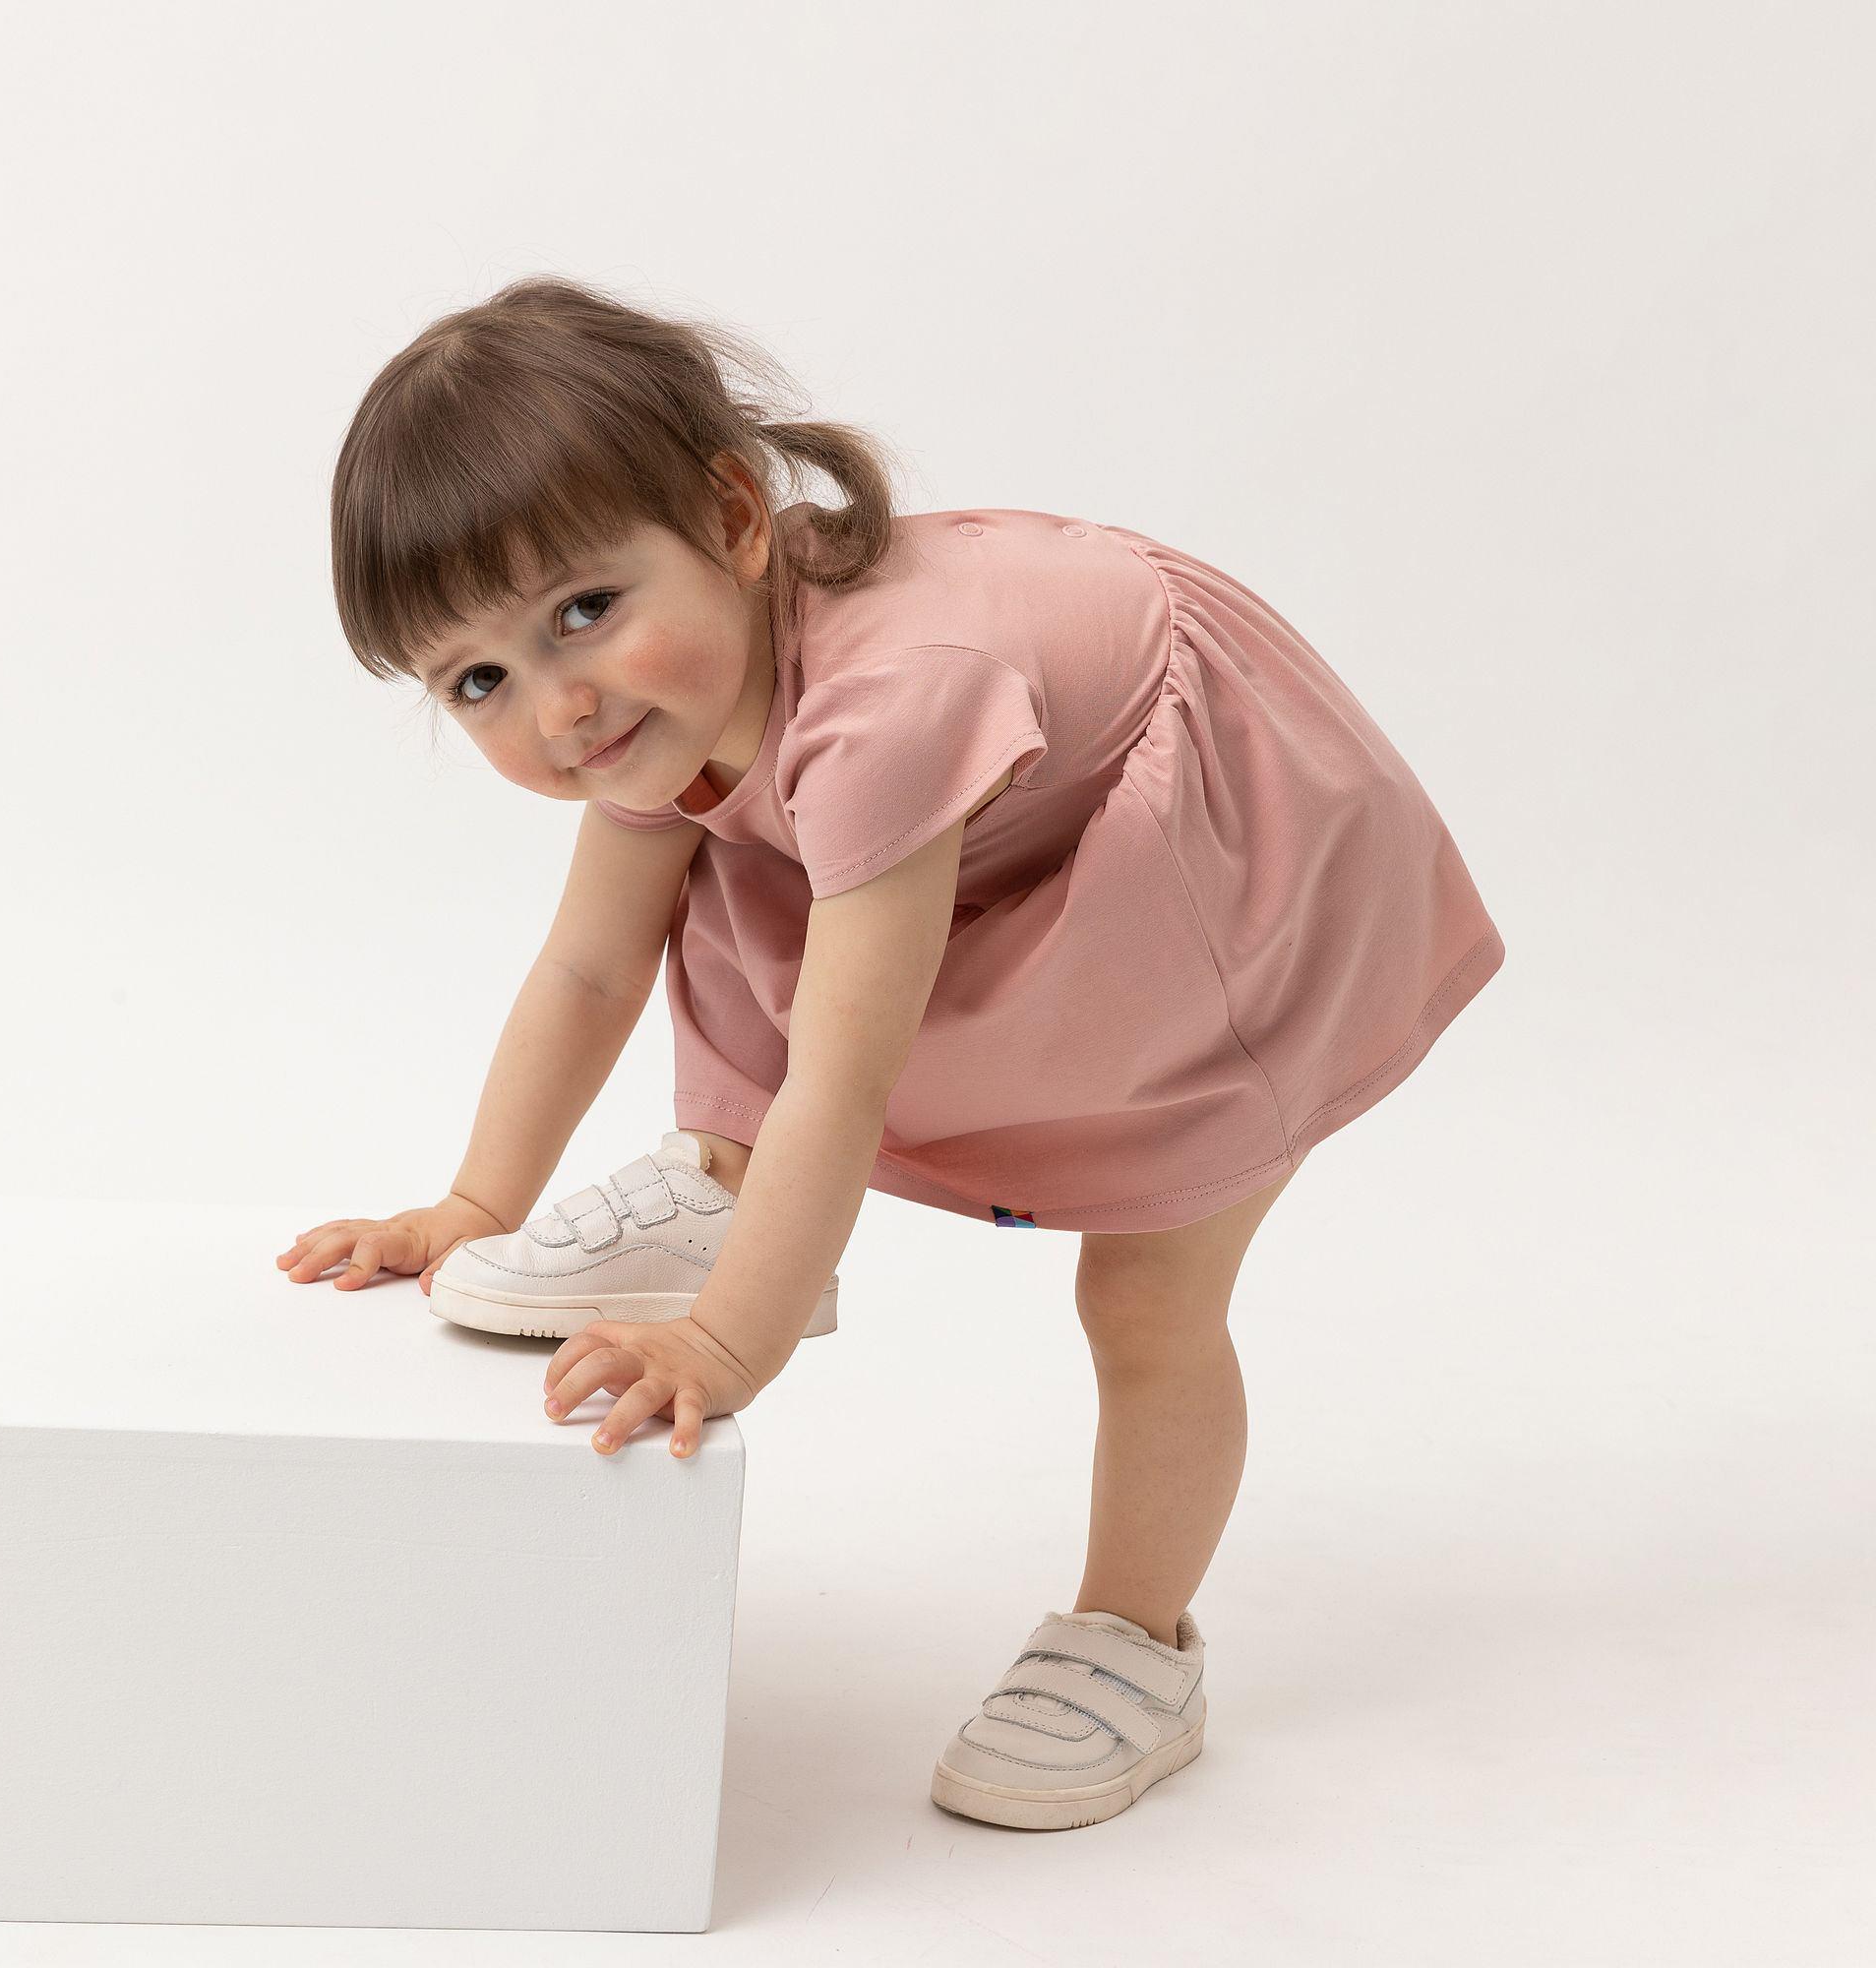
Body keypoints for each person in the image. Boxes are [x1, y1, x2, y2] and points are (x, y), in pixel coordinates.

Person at [276, 274, 1505, 1829]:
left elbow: (845, 1085)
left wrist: (727, 1347)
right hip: (993, 826)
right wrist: (472, 1203)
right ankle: (718, 1181)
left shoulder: (887, 707)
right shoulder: (664, 694)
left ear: (733, 513)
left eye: (583, 609)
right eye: (480, 682)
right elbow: (590, 966)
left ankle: (1136, 1639)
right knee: (729, 878)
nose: (560, 706)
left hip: (1218, 875)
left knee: (1146, 1296)